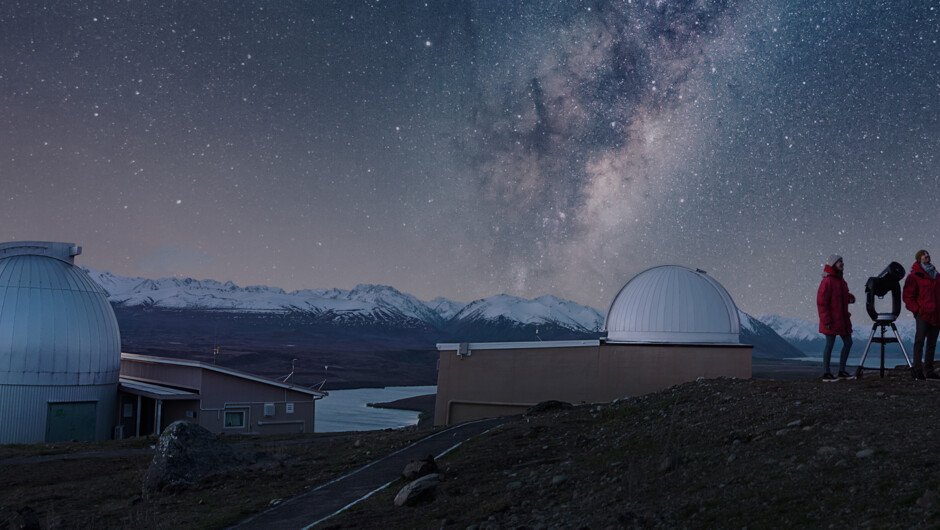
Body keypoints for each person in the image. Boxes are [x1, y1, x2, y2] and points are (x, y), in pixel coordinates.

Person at [902, 249, 940, 380]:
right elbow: (907, 296)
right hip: (923, 314)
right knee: (919, 341)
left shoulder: (936, 275)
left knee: (932, 343)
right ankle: (918, 370)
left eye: (927, 253)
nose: (926, 255)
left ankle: (929, 370)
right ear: (919, 259)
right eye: (923, 254)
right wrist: (917, 310)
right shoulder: (914, 276)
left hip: (936, 314)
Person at [817, 254, 855, 381]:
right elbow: (822, 302)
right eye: (839, 262)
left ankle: (842, 371)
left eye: (842, 261)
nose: (842, 264)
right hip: (831, 320)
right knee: (830, 344)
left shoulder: (840, 281)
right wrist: (826, 320)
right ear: (833, 264)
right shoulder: (827, 281)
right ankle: (826, 373)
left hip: (842, 319)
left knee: (848, 342)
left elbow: (839, 297)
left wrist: (849, 297)